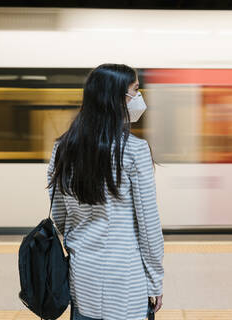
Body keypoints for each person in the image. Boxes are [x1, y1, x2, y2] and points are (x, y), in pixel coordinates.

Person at [46, 64, 164, 320]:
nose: (139, 97)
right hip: (125, 282)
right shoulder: (134, 150)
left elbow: (59, 215)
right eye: (135, 90)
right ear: (117, 98)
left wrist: (82, 239)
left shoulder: (62, 149)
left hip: (82, 276)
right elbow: (148, 225)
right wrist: (155, 280)